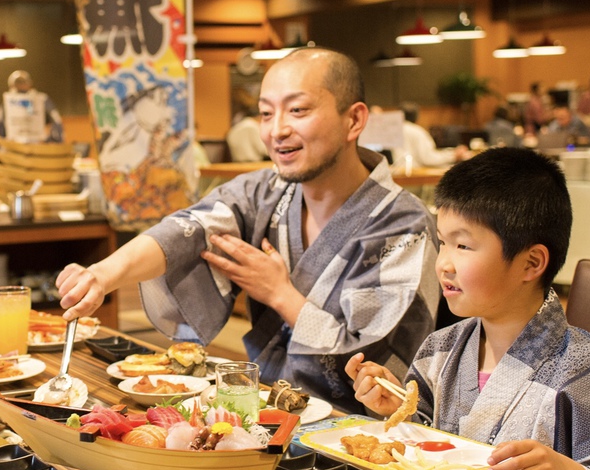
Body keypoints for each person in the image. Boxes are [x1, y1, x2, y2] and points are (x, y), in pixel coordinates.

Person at [56, 47, 439, 414]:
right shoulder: (264, 192)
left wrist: (280, 294)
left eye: (298, 110)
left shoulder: (403, 224)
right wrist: (102, 275)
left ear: (353, 120)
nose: (277, 130)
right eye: (265, 113)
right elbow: (187, 230)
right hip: (265, 410)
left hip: (355, 436)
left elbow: (380, 371)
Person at [346, 147, 590, 470]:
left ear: (531, 262)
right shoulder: (440, 350)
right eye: (442, 243)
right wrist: (392, 411)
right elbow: (424, 444)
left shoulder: (584, 368)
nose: (444, 263)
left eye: (463, 246)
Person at [0, 70, 64, 144]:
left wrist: (54, 139)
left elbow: (56, 119)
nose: (21, 85)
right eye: (18, 83)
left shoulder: (41, 99)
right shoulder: (7, 102)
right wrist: (2, 142)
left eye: (23, 82)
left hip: (37, 143)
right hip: (14, 143)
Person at [392, 102, 468, 168]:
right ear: (417, 116)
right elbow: (428, 159)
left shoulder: (391, 131)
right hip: (414, 178)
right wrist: (454, 155)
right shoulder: (417, 131)